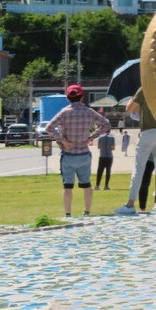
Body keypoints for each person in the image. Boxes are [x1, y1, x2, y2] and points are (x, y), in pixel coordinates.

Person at [46, 84, 111, 218]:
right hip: (84, 154)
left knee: (68, 187)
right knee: (87, 185)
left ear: (68, 98)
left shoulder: (64, 112)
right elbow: (106, 124)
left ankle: (68, 215)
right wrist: (91, 137)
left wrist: (63, 140)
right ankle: (86, 212)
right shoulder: (89, 112)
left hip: (68, 154)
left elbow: (49, 128)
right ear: (82, 97)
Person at [115, 87, 156, 215]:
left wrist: (133, 98)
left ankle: (130, 204)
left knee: (138, 169)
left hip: (147, 132)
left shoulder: (144, 89)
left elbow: (129, 109)